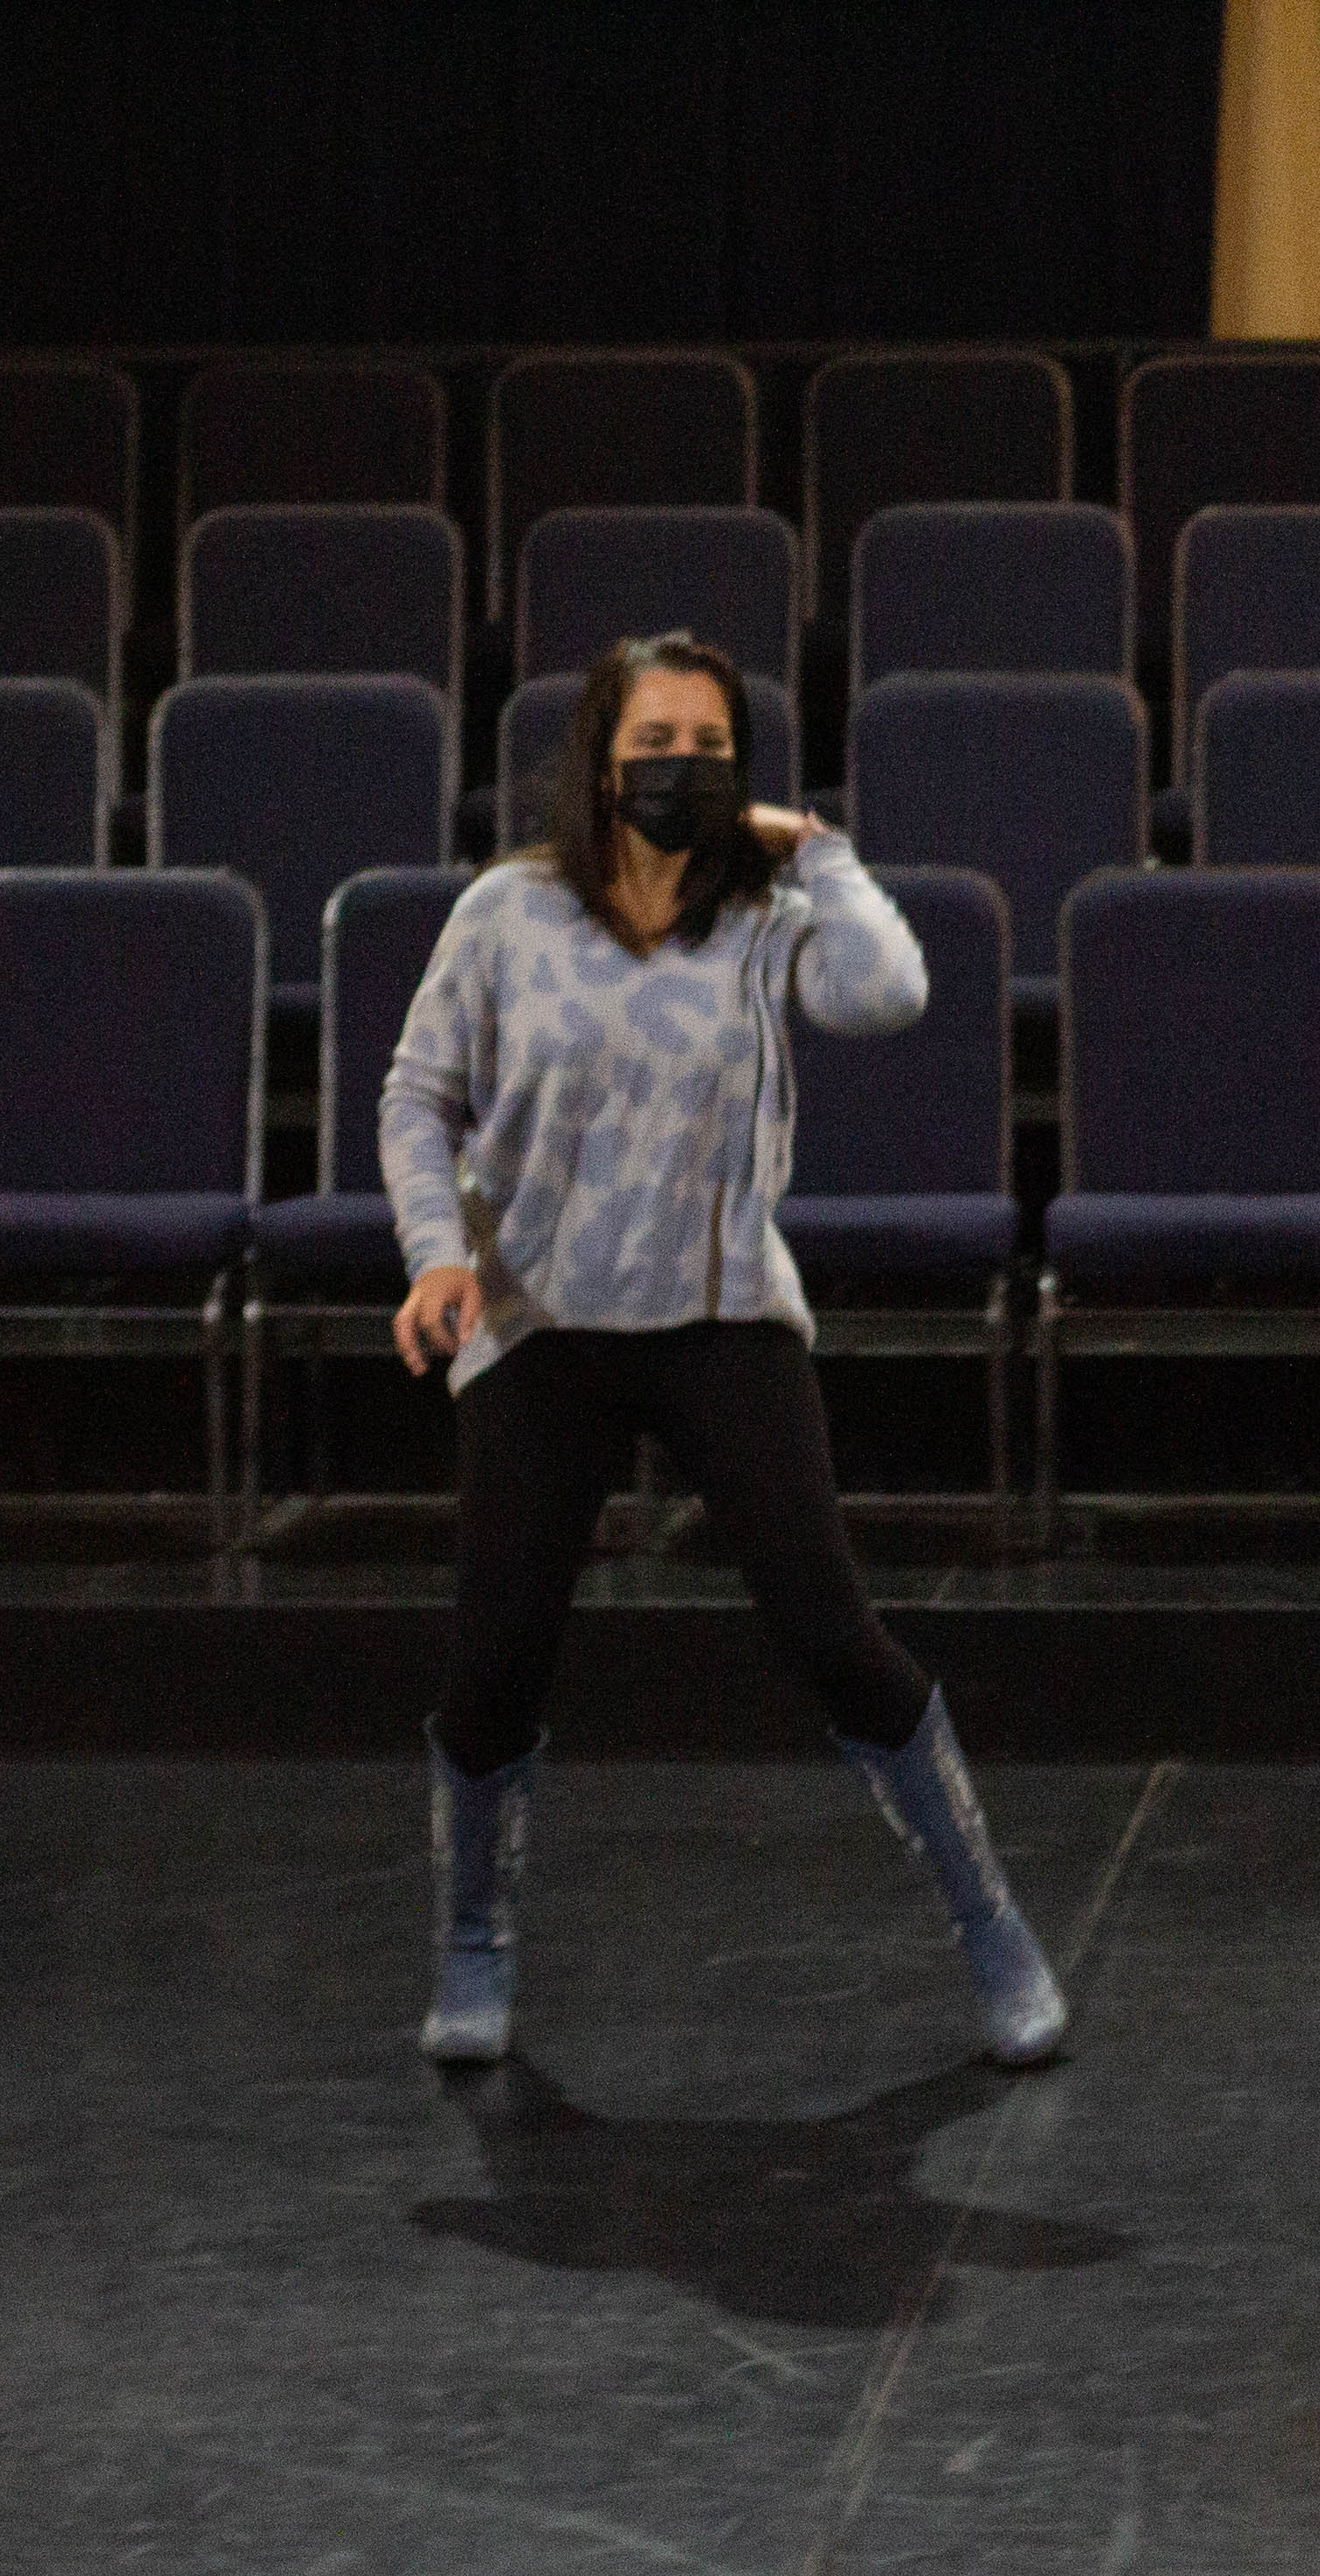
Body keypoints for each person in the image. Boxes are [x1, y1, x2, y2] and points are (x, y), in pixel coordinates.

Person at [379, 631, 1065, 2073]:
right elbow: (416, 1097)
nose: (680, 768)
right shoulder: (508, 912)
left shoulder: (764, 917)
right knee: (496, 1660)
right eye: (655, 743)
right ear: (599, 758)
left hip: (720, 1314)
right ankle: (473, 1938)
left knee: (836, 1637)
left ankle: (992, 1926)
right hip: (538, 1325)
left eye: (708, 747)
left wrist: (819, 851)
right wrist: (436, 1252)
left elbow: (889, 993)